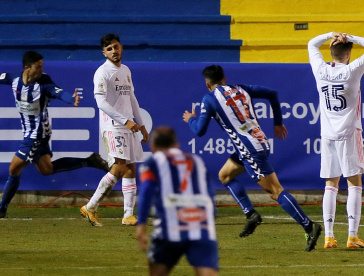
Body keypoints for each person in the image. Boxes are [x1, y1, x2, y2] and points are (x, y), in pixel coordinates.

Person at [183, 65, 322, 251]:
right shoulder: (241, 88)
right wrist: (278, 122)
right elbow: (272, 93)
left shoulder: (209, 99)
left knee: (275, 191)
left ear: (208, 84)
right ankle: (250, 214)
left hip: (250, 150)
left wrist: (190, 119)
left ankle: (309, 226)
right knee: (225, 176)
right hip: (257, 142)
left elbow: (199, 130)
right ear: (224, 79)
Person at [0, 51, 109, 218]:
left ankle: (2, 208)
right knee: (46, 169)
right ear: (27, 68)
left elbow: (59, 92)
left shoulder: (44, 83)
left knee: (14, 168)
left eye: (42, 67)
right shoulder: (13, 79)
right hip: (30, 133)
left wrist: (71, 99)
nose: (41, 71)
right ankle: (89, 161)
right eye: (38, 67)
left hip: (37, 134)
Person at [308, 32, 364, 249]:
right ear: (348, 54)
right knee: (354, 183)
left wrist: (331, 34)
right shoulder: (352, 70)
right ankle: (352, 236)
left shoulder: (320, 69)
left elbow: (312, 43)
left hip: (328, 134)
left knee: (330, 184)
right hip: (350, 133)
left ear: (331, 52)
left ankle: (329, 237)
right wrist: (351, 36)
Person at [80, 34, 149, 227]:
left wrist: (141, 123)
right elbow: (101, 102)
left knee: (130, 168)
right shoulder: (102, 72)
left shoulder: (126, 70)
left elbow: (132, 98)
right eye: (109, 49)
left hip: (128, 125)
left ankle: (123, 214)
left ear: (121, 47)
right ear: (104, 53)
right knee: (121, 167)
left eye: (116, 47)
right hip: (113, 126)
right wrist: (125, 120)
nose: (114, 51)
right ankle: (95, 207)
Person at [136, 126, 218, 276]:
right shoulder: (197, 161)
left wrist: (141, 224)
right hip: (200, 225)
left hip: (169, 228)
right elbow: (209, 194)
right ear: (177, 145)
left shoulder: (152, 162)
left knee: (157, 271)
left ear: (153, 146)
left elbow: (146, 191)